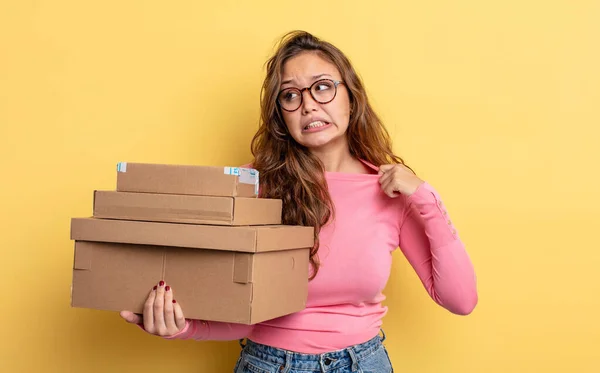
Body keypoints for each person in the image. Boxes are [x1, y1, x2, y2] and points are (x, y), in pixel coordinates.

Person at [120, 30, 478, 373]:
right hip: (269, 364)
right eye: (291, 95)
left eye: (322, 87)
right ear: (281, 115)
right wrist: (181, 326)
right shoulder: (252, 187)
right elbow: (244, 317)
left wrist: (426, 198)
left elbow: (460, 300)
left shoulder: (391, 190)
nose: (308, 105)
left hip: (365, 365)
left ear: (351, 98)